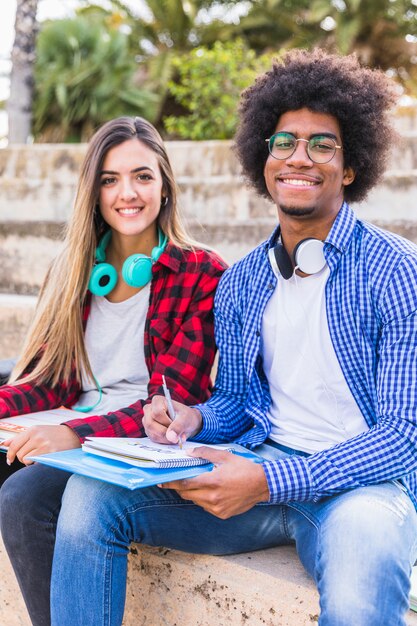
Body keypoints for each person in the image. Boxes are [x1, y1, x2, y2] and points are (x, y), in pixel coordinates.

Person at [3, 49, 417, 626]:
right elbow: (235, 404)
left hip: (360, 492)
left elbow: (403, 436)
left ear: (351, 166)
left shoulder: (396, 270)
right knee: (89, 502)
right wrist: (193, 420)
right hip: (256, 468)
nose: (299, 157)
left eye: (322, 144)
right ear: (262, 159)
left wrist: (271, 478)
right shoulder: (245, 281)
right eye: (283, 143)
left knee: (359, 592)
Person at [0, 116, 226, 625]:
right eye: (110, 179)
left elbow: (165, 408)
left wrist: (71, 435)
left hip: (132, 444)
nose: (128, 192)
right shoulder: (72, 269)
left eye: (143, 176)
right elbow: (48, 379)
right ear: (94, 192)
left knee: (21, 499)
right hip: (69, 425)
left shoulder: (201, 272)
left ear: (165, 186)